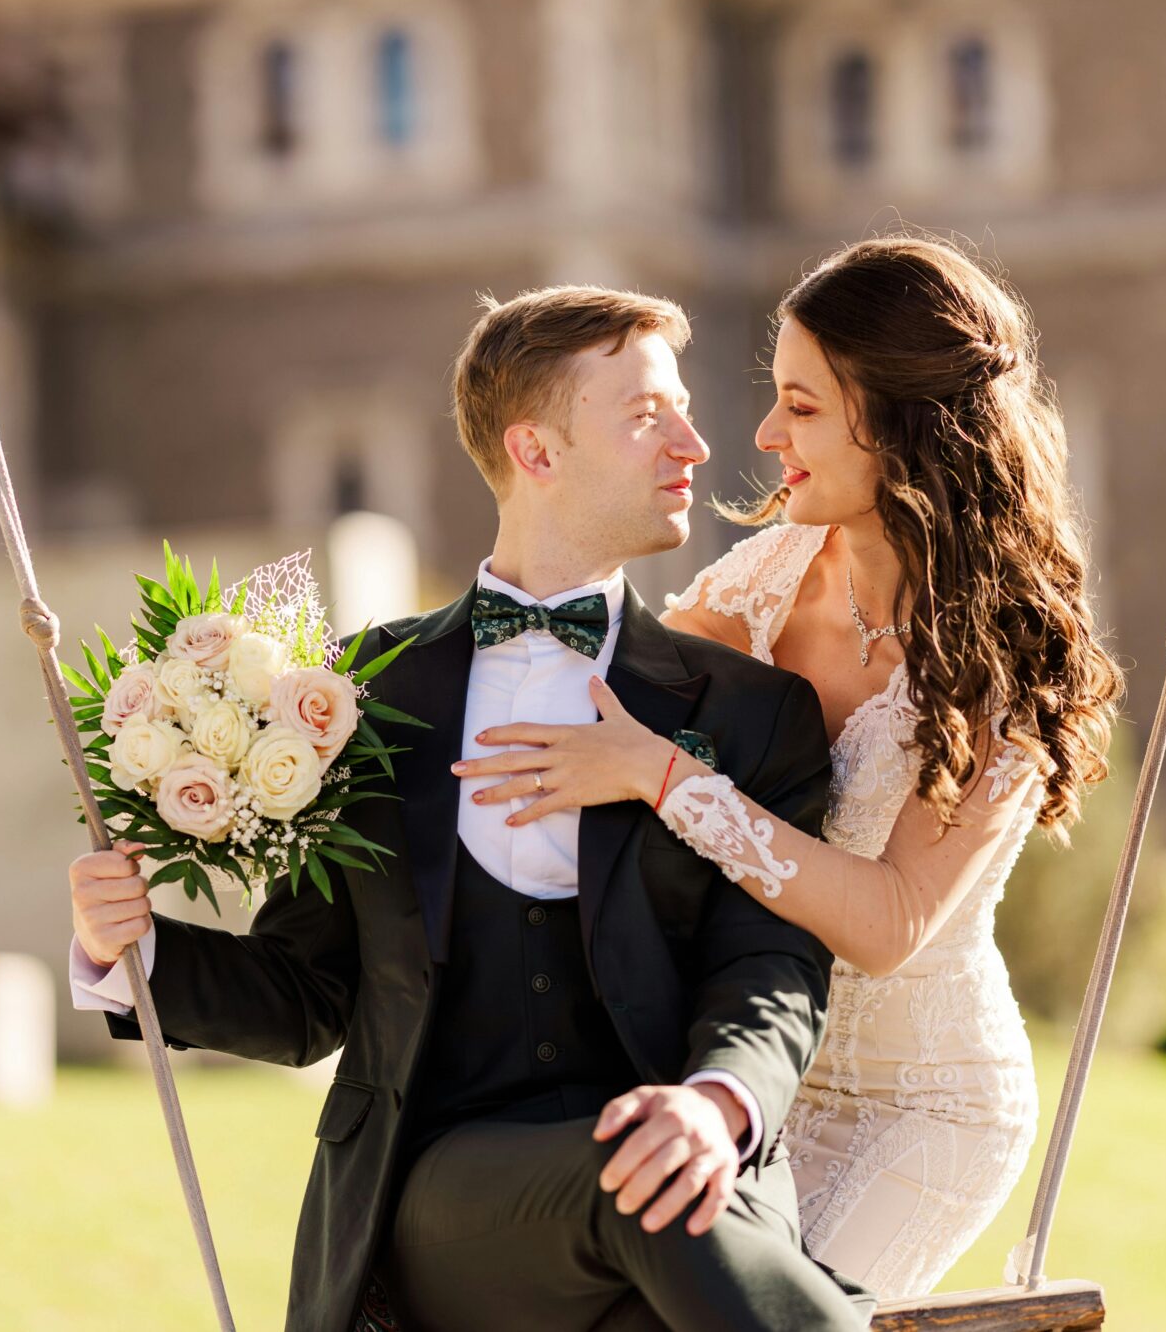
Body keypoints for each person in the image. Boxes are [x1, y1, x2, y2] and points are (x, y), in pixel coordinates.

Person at [69, 286, 869, 1332]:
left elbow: (770, 966)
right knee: (632, 1176)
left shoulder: (752, 712)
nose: (696, 441)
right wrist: (124, 949)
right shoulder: (360, 694)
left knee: (655, 1209)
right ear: (534, 451)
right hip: (447, 1198)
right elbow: (310, 993)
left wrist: (714, 1104)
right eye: (646, 414)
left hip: (694, 1170)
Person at [452, 237, 1124, 1300]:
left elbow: (890, 921)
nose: (764, 436)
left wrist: (669, 780)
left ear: (902, 424)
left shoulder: (1003, 655)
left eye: (802, 408)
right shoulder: (762, 578)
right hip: (753, 1071)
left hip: (927, 1106)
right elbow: (599, 702)